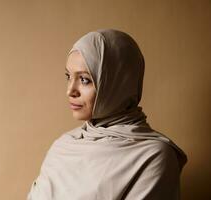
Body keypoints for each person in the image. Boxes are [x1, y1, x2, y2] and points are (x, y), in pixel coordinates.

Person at [27, 28, 187, 200]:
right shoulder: (62, 146)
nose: (70, 90)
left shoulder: (153, 157)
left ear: (118, 82)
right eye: (68, 76)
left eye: (84, 80)